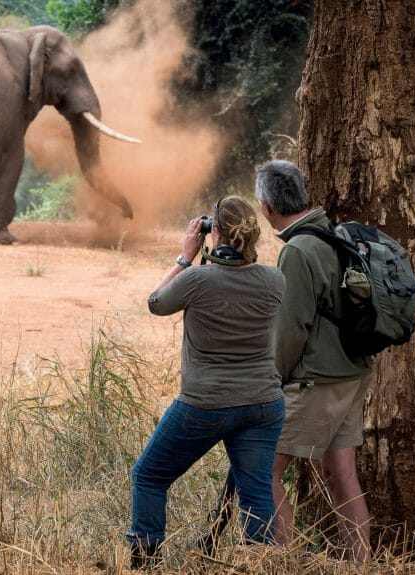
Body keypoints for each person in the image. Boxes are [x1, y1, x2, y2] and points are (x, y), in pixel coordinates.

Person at [127, 196, 286, 569]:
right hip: (263, 403)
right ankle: (262, 564)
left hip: (206, 403)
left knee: (148, 476)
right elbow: (247, 276)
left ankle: (145, 562)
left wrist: (186, 256)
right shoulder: (275, 280)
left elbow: (156, 303)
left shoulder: (197, 279)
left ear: (213, 231)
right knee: (256, 492)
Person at [254, 159, 374, 561]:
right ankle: (362, 564)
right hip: (353, 375)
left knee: (261, 470)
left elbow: (290, 330)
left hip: (317, 382)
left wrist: (270, 383)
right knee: (342, 475)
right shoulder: (337, 234)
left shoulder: (298, 251)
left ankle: (283, 562)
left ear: (267, 208)